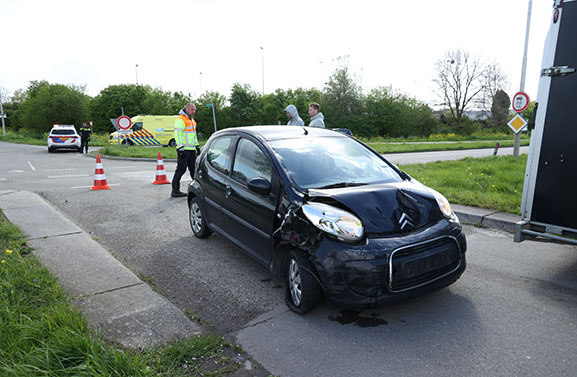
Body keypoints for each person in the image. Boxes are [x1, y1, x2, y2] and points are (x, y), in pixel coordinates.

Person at [171, 103, 201, 198]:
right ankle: (175, 190)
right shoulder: (180, 120)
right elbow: (178, 134)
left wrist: (197, 146)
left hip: (191, 149)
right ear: (187, 109)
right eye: (192, 110)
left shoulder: (192, 120)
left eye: (195, 110)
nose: (194, 111)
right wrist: (180, 148)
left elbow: (193, 135)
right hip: (184, 149)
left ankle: (197, 189)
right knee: (181, 169)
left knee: (194, 169)